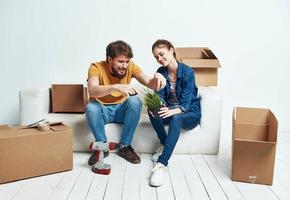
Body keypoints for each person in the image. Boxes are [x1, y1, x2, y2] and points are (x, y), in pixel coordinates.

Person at [86, 40, 166, 168]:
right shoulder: (96, 67)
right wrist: (115, 87)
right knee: (91, 107)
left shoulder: (131, 67)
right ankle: (102, 147)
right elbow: (92, 90)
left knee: (135, 101)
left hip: (121, 111)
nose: (125, 65)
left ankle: (125, 147)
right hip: (103, 111)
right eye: (121, 62)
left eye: (127, 62)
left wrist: (158, 76)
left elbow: (149, 82)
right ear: (110, 59)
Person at [148, 39, 201, 187]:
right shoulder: (161, 72)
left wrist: (171, 111)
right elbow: (159, 96)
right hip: (171, 111)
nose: (159, 59)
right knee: (152, 110)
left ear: (171, 50)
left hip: (189, 113)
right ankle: (164, 143)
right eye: (156, 57)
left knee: (176, 118)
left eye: (161, 54)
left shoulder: (188, 72)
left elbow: (185, 105)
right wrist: (158, 104)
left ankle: (161, 165)